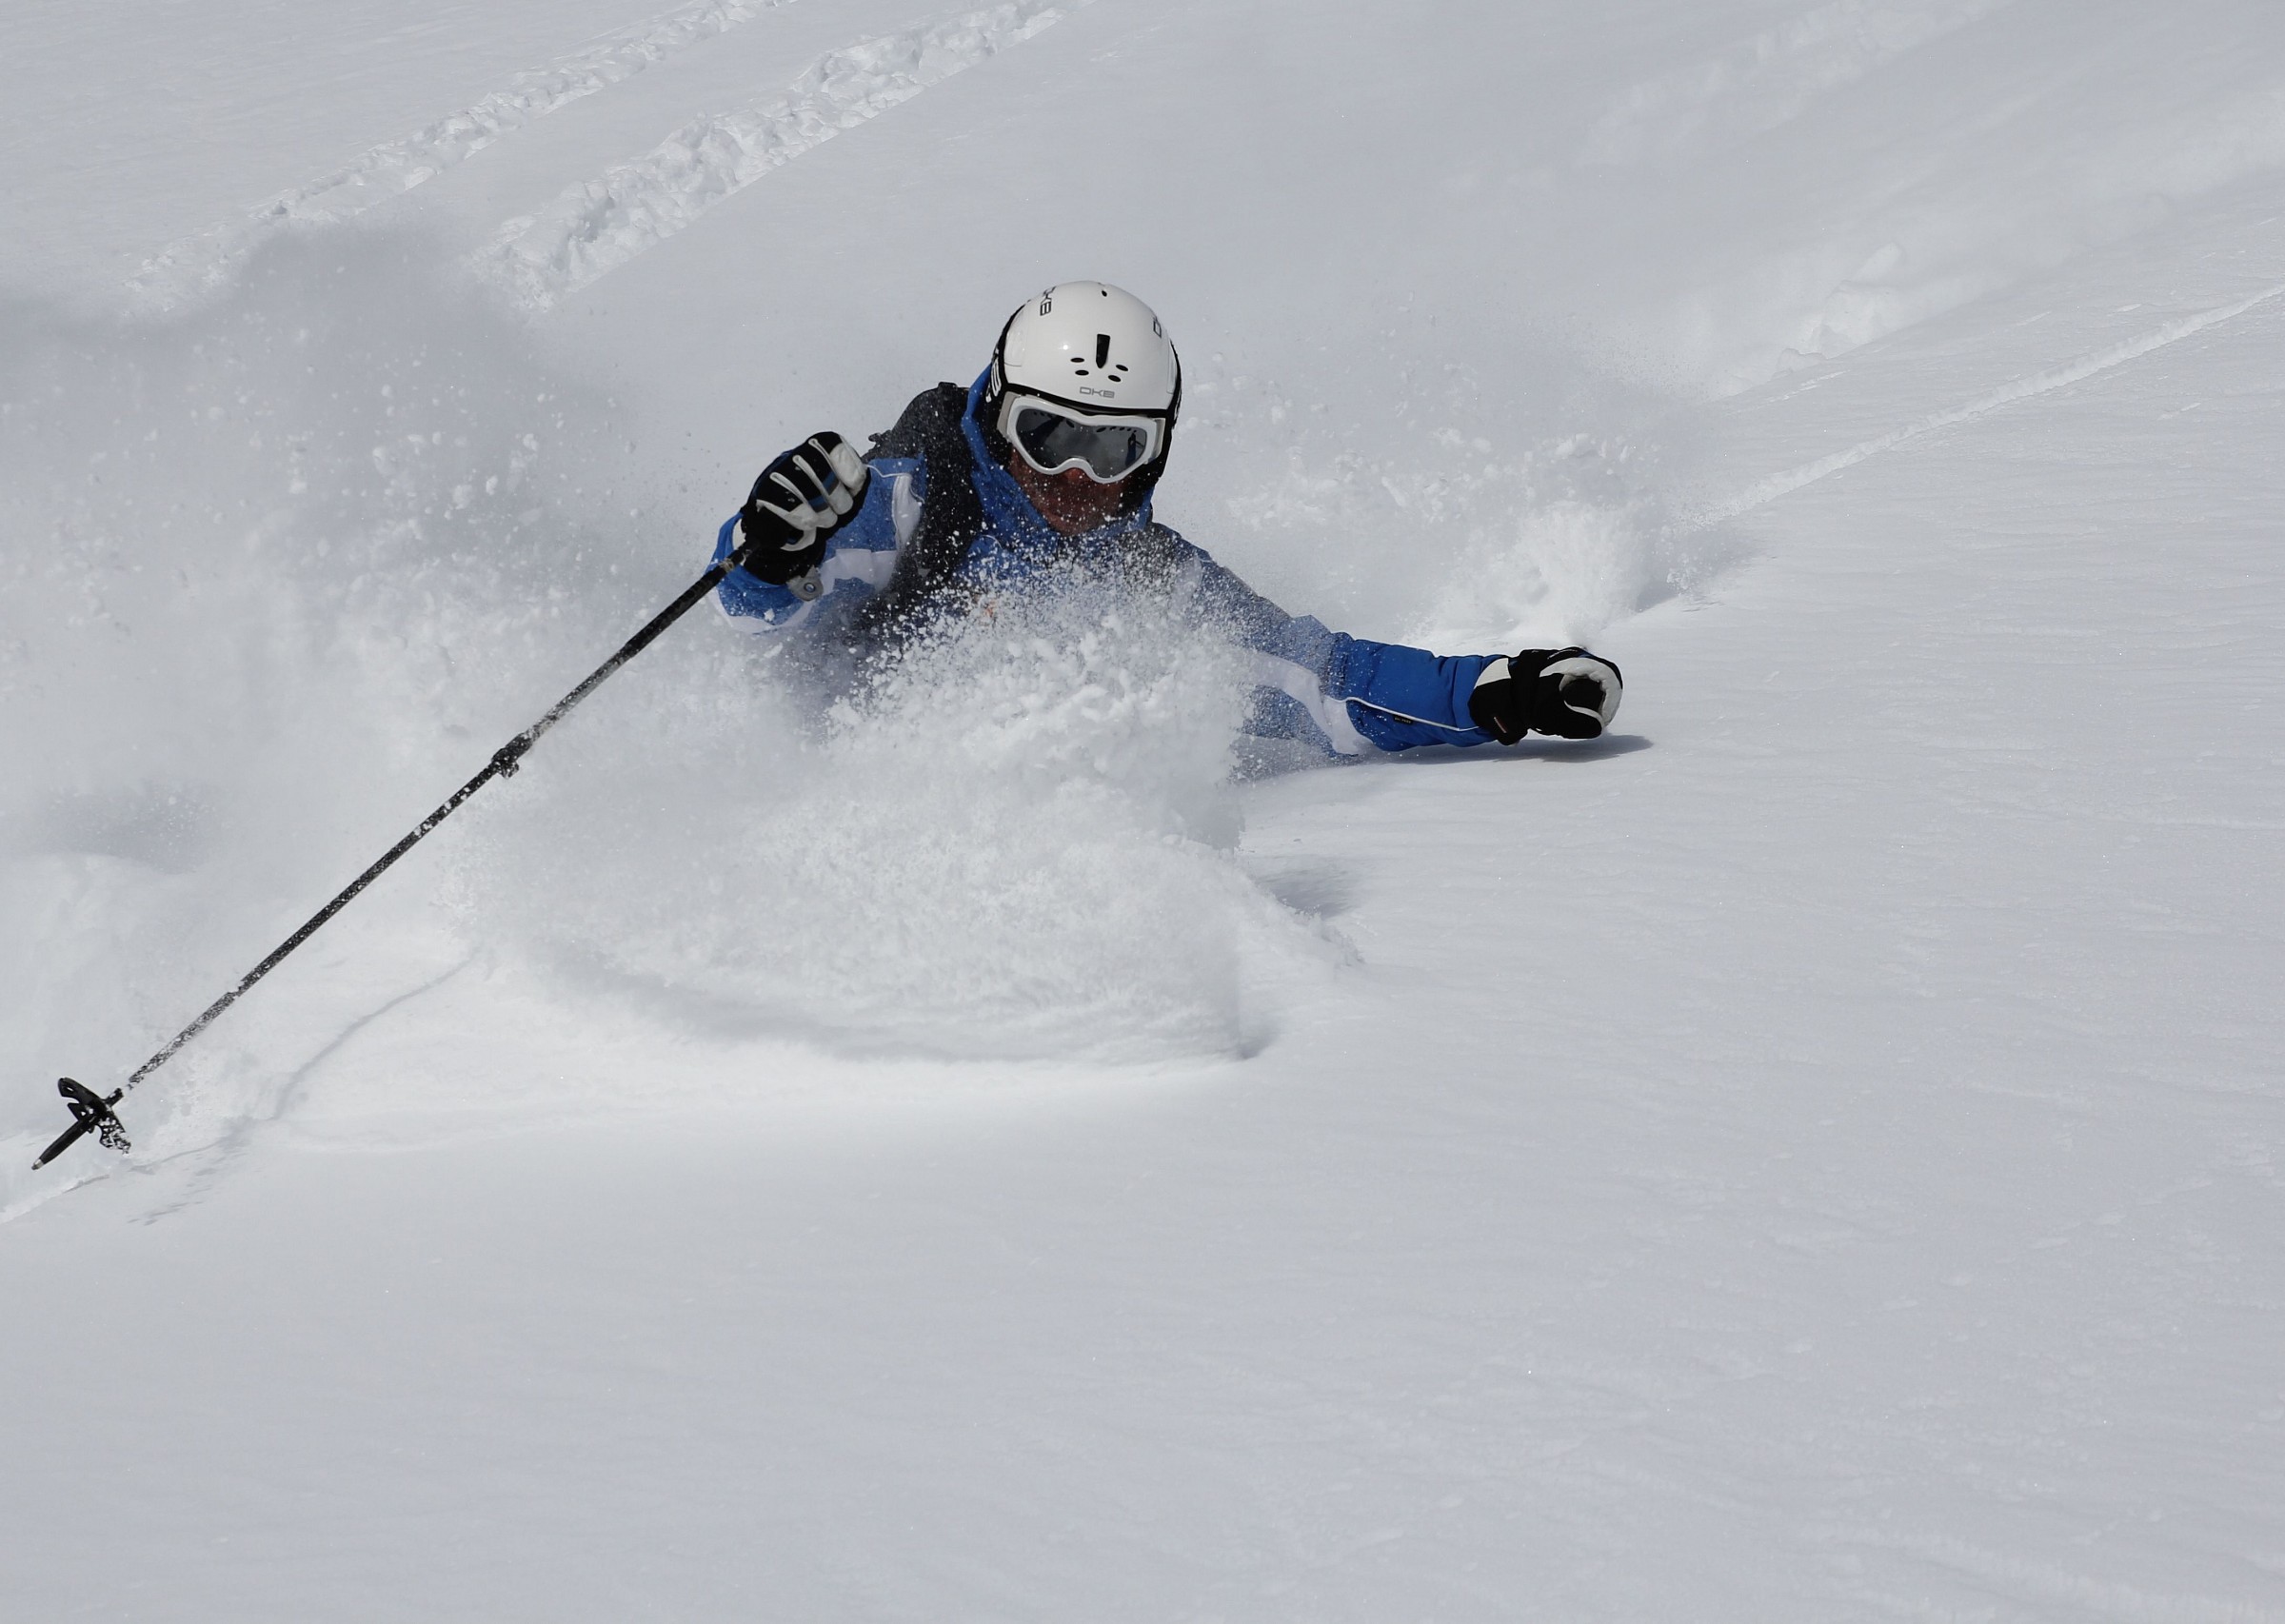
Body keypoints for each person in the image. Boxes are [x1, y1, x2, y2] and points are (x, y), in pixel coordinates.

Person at [709, 281, 1622, 757]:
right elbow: (744, 623)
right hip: (793, 784)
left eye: (1114, 453)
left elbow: (1328, 684)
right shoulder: (904, 504)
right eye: (1048, 435)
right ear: (997, 414)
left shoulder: (1147, 582)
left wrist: (1494, 693)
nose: (1073, 476)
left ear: (1155, 458)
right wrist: (770, 548)